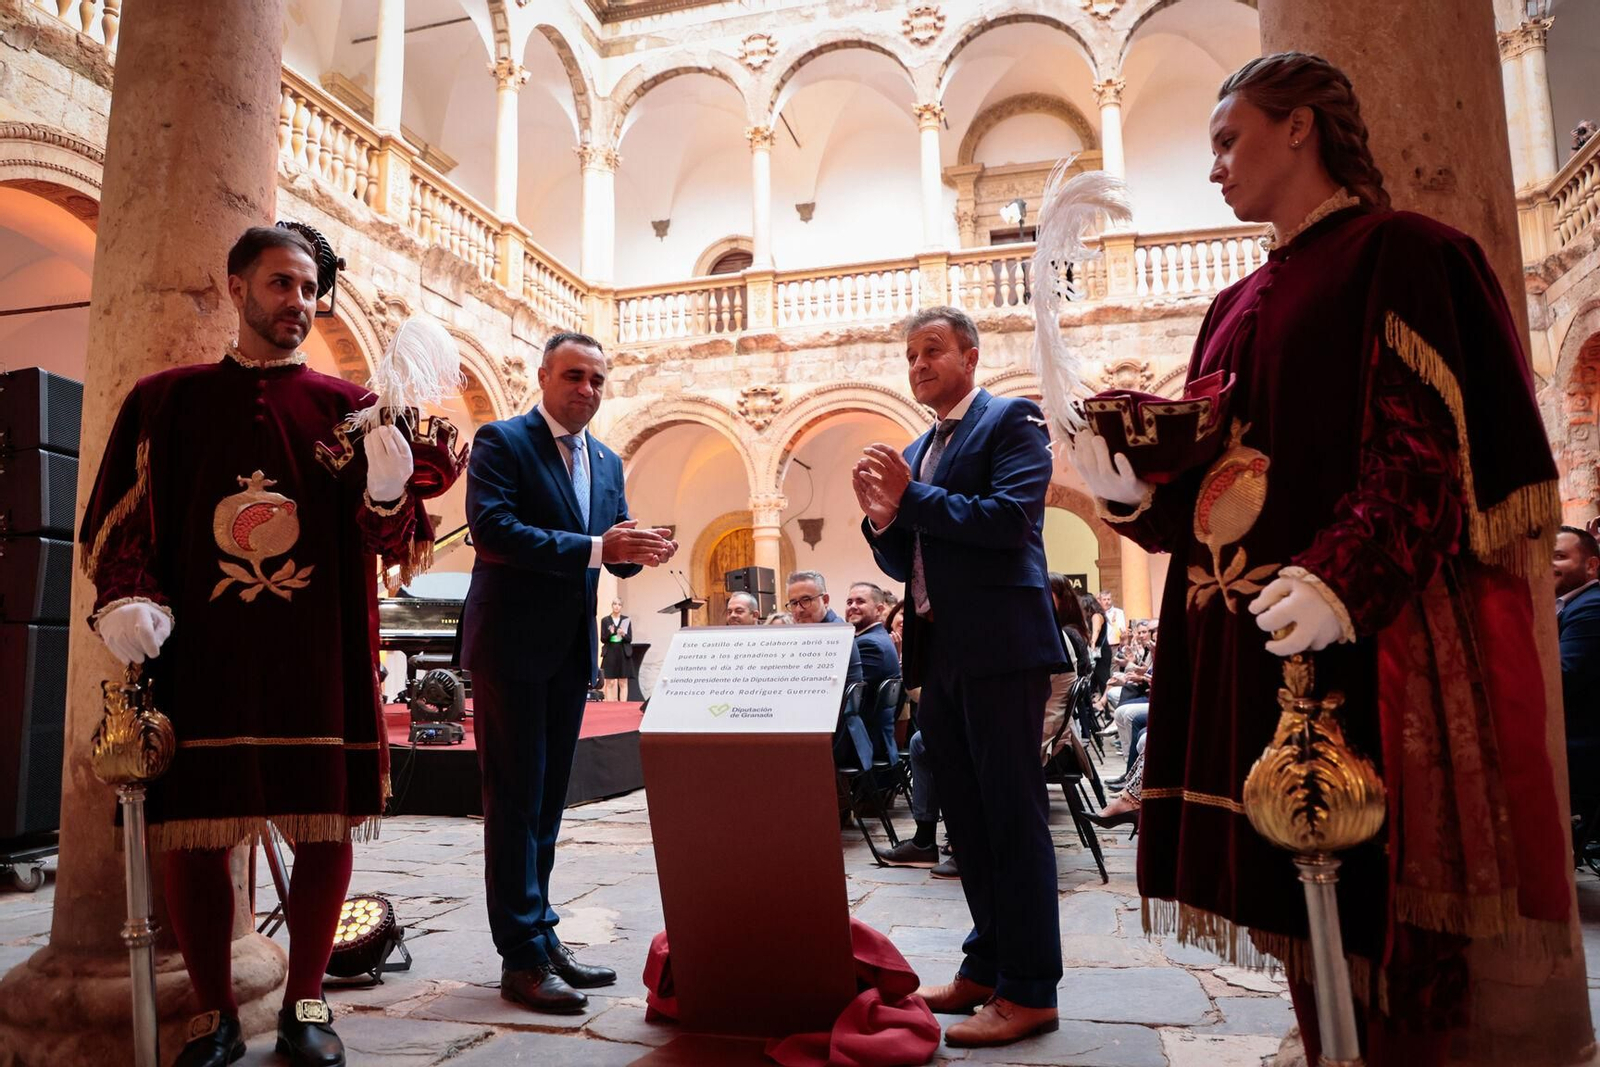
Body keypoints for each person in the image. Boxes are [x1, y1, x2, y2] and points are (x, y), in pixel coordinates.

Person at [1067, 52, 1571, 1066]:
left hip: (1369, 629)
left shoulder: (1403, 252)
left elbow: (1425, 454)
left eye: (1228, 139)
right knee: (1290, 892)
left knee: (1388, 893)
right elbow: (1209, 499)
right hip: (1245, 637)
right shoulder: (1233, 303)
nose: (1215, 166)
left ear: (1298, 127)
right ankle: (1322, 1042)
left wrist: (1344, 575)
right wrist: (1128, 495)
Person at [81, 226, 461, 1067]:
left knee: (325, 831)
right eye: (281, 283)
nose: (300, 301)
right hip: (200, 654)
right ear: (237, 286)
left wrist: (389, 489)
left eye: (310, 288)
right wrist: (127, 596)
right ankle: (214, 1013)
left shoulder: (350, 410)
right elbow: (116, 522)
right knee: (196, 835)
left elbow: (392, 540)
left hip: (318, 650)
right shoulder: (164, 401)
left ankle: (307, 1002)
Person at [855, 305, 1065, 1048]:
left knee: (1011, 817)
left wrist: (908, 497)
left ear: (971, 357)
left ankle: (1030, 989)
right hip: (938, 649)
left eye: (933, 351)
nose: (918, 365)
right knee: (966, 820)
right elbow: (906, 559)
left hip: (1002, 645)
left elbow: (1009, 520)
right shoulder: (919, 447)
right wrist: (882, 519)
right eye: (911, 355)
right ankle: (987, 966)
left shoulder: (1012, 420)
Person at [462, 331, 678, 1015]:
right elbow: (493, 529)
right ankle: (520, 955)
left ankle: (543, 932)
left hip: (567, 651)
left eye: (597, 380)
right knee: (514, 801)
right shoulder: (503, 441)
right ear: (544, 376)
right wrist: (596, 546)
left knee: (549, 802)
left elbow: (610, 548)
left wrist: (637, 549)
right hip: (510, 647)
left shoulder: (606, 459)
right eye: (574, 376)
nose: (586, 389)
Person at [1555, 525, 1600, 831]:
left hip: (1582, 745)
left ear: (1591, 565)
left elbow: (1562, 676)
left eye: (1558, 556)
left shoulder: (1592, 605)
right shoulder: (1569, 604)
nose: (1547, 564)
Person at [846, 581, 900, 767]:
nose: (852, 606)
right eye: (849, 602)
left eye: (860, 601)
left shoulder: (870, 644)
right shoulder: (879, 638)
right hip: (876, 737)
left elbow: (848, 699)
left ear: (879, 609)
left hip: (866, 742)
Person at [785, 570, 863, 686]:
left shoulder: (833, 634)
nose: (798, 610)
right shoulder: (821, 629)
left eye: (806, 600)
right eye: (794, 603)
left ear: (825, 600)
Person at [598, 599, 633, 701]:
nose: (617, 606)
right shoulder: (605, 620)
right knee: (610, 682)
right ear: (612, 605)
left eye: (619, 604)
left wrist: (623, 634)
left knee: (623, 682)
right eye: (615, 604)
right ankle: (609, 705)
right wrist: (610, 633)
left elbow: (629, 639)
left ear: (621, 607)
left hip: (623, 652)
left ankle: (623, 705)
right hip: (610, 651)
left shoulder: (626, 620)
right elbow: (603, 639)